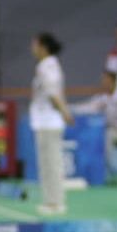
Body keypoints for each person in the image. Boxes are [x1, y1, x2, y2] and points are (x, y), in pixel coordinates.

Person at [30, 32, 74, 217]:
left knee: (52, 164)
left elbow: (53, 93)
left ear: (43, 47)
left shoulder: (47, 66)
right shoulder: (45, 65)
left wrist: (64, 112)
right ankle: (50, 201)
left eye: (35, 44)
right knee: (46, 164)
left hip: (49, 121)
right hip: (43, 121)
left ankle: (57, 203)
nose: (32, 48)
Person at [73, 69, 117, 148]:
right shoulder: (104, 98)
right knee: (93, 132)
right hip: (108, 128)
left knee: (108, 135)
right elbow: (88, 107)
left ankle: (106, 156)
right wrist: (70, 108)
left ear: (114, 82)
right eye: (103, 80)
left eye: (106, 80)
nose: (104, 83)